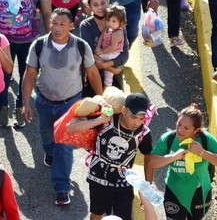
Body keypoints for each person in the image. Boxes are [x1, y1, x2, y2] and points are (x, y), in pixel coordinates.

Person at [21, 7, 102, 204]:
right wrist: (25, 104)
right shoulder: (38, 45)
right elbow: (29, 74)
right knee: (46, 134)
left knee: (64, 145)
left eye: (62, 24)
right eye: (54, 23)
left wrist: (101, 98)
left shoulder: (81, 46)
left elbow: (92, 73)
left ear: (71, 26)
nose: (57, 28)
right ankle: (49, 152)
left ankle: (62, 188)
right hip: (44, 101)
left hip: (70, 104)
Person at [64, 91, 156, 219]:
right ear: (123, 110)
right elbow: (70, 127)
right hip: (98, 180)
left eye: (141, 118)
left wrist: (147, 190)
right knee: (97, 214)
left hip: (123, 184)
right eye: (133, 117)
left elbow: (149, 159)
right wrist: (99, 119)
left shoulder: (144, 133)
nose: (137, 123)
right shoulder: (107, 121)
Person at [147, 104, 217, 220]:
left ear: (196, 130)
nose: (180, 130)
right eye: (179, 124)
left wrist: (202, 152)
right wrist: (173, 157)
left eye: (186, 128)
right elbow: (151, 162)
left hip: (199, 193)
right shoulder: (168, 138)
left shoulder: (206, 139)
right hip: (174, 191)